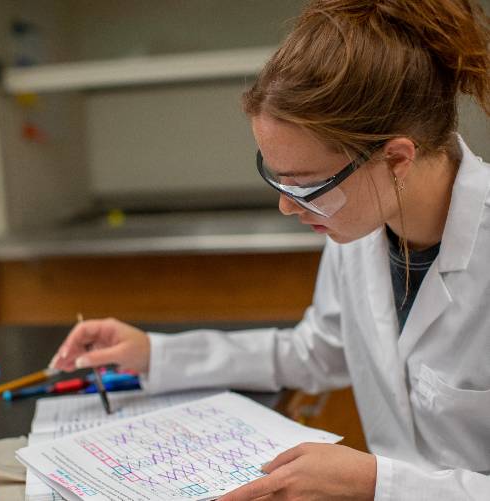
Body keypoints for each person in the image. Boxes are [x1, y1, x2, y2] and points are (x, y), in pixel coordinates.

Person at [49, 0, 490, 499]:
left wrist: (375, 482)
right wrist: (157, 354)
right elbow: (317, 352)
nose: (286, 206)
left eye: (306, 185)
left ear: (396, 158)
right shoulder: (361, 224)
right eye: (277, 176)